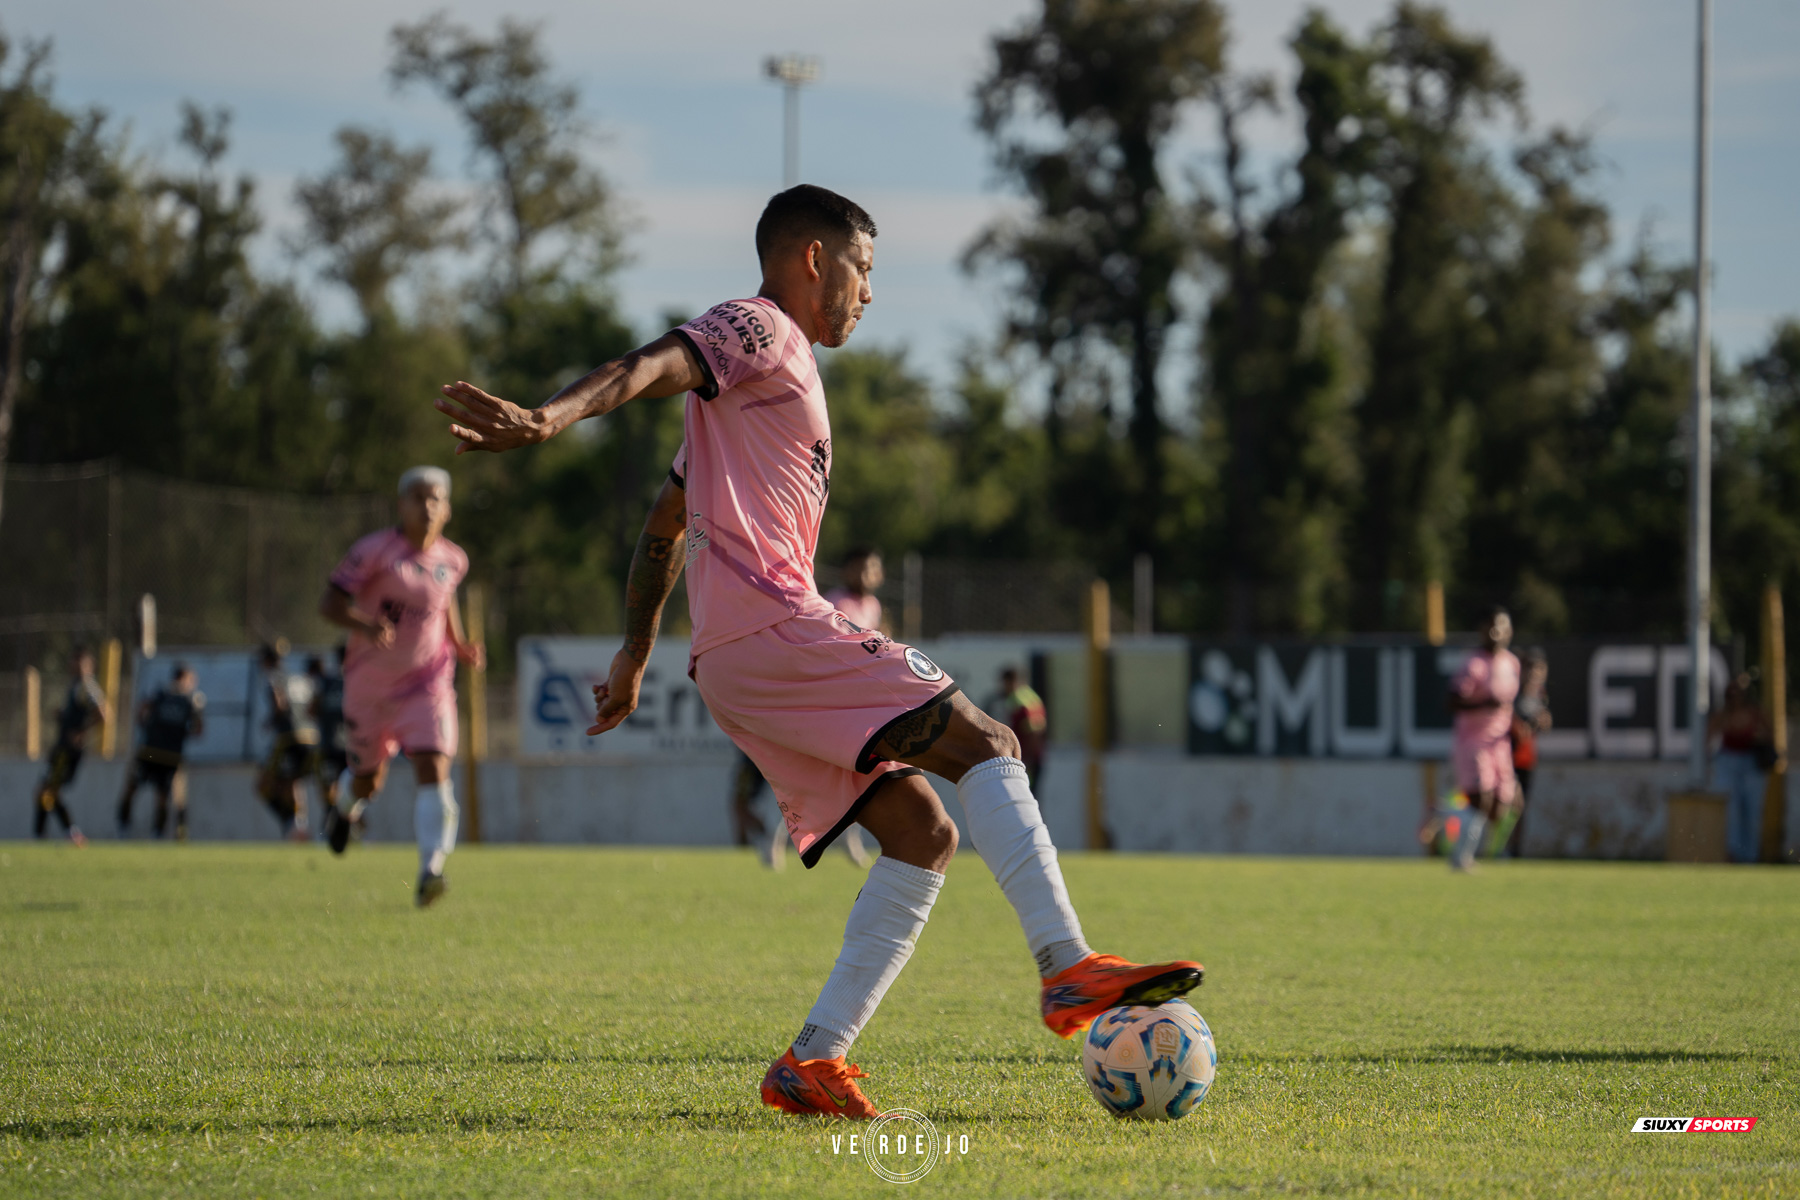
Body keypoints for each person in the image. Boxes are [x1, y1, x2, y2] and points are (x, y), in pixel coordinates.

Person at [434, 184, 1202, 1118]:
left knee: (922, 833)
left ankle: (812, 1061)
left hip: (734, 662)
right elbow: (651, 363)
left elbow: (665, 524)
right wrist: (548, 419)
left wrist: (636, 651)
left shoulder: (749, 399)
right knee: (989, 742)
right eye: (862, 269)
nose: (868, 293)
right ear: (812, 258)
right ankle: (1066, 966)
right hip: (776, 629)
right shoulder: (759, 328)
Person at [319, 466, 483, 906]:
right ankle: (343, 811)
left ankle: (432, 869)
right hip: (370, 686)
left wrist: (459, 644)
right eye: (418, 498)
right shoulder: (373, 551)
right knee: (368, 781)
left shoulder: (453, 560)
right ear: (401, 506)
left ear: (447, 509)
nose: (427, 506)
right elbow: (329, 604)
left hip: (427, 681)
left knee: (433, 765)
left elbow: (443, 602)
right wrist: (365, 625)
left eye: (435, 499)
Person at [1446, 607, 1520, 871]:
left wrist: (1520, 724)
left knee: (1502, 805)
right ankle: (1461, 857)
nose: (1495, 633)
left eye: (1500, 627)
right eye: (1490, 628)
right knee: (1480, 799)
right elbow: (1451, 700)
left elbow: (1508, 706)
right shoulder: (1473, 664)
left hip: (1499, 744)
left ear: (1509, 631)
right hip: (1473, 742)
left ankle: (1443, 816)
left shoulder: (1511, 663)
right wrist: (1482, 704)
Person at [117, 663, 206, 840]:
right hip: (157, 752)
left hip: (164, 753)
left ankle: (154, 831)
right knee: (141, 789)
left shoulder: (183, 700)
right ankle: (127, 825)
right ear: (184, 678)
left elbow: (198, 731)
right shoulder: (168, 695)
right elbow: (198, 731)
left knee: (160, 794)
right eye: (191, 680)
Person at [31, 646, 105, 846]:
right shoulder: (75, 685)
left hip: (68, 751)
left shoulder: (87, 686)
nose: (74, 665)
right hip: (61, 748)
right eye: (73, 660)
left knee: (47, 790)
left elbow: (103, 714)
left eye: (79, 661)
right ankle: (51, 834)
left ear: (89, 665)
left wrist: (81, 732)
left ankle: (63, 833)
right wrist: (63, 716)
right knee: (45, 791)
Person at [255, 642, 317, 843]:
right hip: (310, 736)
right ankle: (299, 825)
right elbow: (312, 706)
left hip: (289, 737)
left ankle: (291, 824)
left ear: (267, 660)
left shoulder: (274, 677)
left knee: (263, 785)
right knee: (292, 781)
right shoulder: (297, 678)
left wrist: (270, 721)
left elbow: (279, 704)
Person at [1708, 673, 1770, 864]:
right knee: (1732, 812)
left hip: (1751, 763)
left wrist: (1758, 737)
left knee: (1752, 811)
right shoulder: (1723, 714)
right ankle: (1733, 854)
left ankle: (1751, 857)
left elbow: (1769, 735)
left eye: (1740, 692)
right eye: (1733, 692)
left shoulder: (1755, 713)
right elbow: (1708, 737)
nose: (1736, 696)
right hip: (1728, 761)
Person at [1504, 649, 1551, 858]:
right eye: (1530, 668)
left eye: (1540, 669)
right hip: (1507, 758)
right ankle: (1500, 848)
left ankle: (1513, 851)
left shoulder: (1539, 695)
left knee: (1519, 808)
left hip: (1526, 760)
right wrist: (1529, 726)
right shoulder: (1513, 694)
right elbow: (1515, 728)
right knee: (1510, 805)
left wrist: (1542, 723)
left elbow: (1540, 725)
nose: (1535, 674)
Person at [309, 649, 349, 817]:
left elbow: (311, 710)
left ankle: (333, 821)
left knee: (328, 790)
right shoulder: (356, 681)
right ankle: (348, 823)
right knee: (348, 791)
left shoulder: (326, 682)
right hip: (349, 748)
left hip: (329, 746)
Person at [997, 666, 1048, 790]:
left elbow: (1032, 731)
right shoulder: (1031, 695)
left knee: (1023, 792)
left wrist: (1026, 758)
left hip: (1026, 758)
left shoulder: (1017, 700)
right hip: (1036, 755)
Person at [823, 546, 885, 634]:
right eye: (862, 569)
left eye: (874, 570)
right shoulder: (834, 601)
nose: (868, 575)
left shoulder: (873, 604)